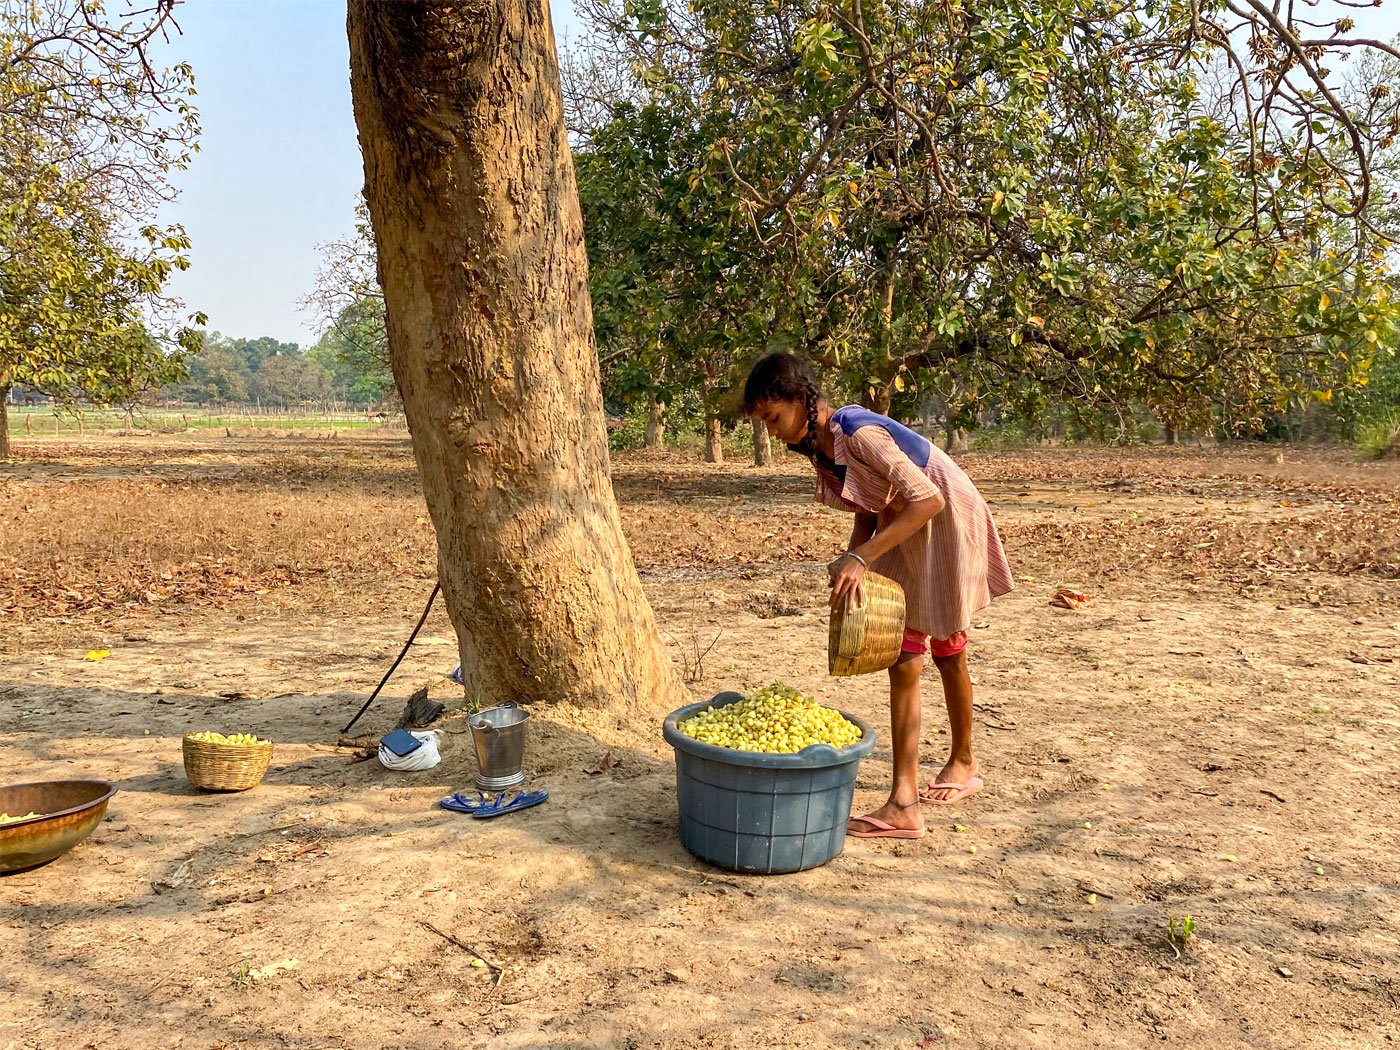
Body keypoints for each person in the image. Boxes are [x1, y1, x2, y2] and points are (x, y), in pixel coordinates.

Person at [743, 353, 1014, 839]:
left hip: (944, 519)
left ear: (800, 400)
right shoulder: (820, 448)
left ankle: (963, 763)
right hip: (903, 526)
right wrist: (851, 562)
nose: (772, 430)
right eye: (764, 422)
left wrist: (862, 559)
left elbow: (928, 498)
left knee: (949, 651)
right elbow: (868, 510)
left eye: (773, 417)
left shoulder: (857, 434)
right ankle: (905, 803)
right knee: (905, 658)